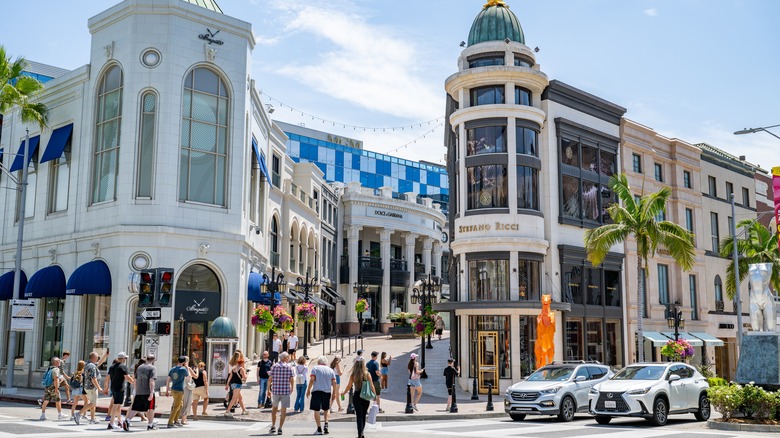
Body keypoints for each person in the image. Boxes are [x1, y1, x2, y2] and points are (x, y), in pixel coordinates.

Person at [340, 358, 375, 438]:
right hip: (366, 395)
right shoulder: (367, 374)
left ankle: (360, 434)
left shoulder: (354, 375)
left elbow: (349, 386)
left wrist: (343, 393)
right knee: (363, 415)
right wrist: (374, 396)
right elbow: (372, 385)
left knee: (359, 415)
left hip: (357, 395)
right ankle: (362, 432)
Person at [122, 354, 158, 431]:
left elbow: (135, 379)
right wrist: (151, 392)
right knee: (151, 408)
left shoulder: (139, 367)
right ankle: (150, 424)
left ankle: (127, 420)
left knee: (135, 408)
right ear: (153, 360)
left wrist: (135, 389)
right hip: (147, 391)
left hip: (139, 391)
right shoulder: (152, 368)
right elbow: (151, 381)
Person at [307, 356, 336, 435]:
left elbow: (312, 379)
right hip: (327, 391)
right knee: (326, 409)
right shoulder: (331, 370)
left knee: (316, 410)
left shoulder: (315, 368)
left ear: (319, 362)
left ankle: (319, 428)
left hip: (317, 391)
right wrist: (334, 393)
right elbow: (334, 382)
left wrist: (308, 389)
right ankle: (326, 423)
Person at [267, 351, 295, 435]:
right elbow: (292, 379)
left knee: (274, 409)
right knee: (283, 410)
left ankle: (273, 426)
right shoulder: (289, 367)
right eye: (288, 357)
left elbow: (270, 379)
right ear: (285, 358)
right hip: (285, 391)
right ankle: (280, 428)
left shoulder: (274, 366)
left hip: (275, 391)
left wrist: (268, 389)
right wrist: (292, 388)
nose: (289, 359)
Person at [106, 352, 134, 430]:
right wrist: (134, 382)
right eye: (125, 358)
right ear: (123, 358)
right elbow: (127, 377)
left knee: (118, 405)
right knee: (116, 405)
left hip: (113, 387)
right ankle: (111, 423)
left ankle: (119, 421)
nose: (125, 360)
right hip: (119, 388)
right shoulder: (123, 367)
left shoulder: (112, 367)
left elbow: (108, 377)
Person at [75, 352, 104, 425]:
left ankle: (92, 419)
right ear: (94, 358)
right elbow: (93, 378)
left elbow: (99, 363)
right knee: (93, 403)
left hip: (87, 387)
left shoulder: (88, 364)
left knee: (92, 403)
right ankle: (79, 414)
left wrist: (106, 355)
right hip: (92, 387)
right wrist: (99, 388)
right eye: (97, 357)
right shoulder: (92, 366)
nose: (98, 359)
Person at [165, 355, 191, 428]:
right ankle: (170, 422)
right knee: (176, 407)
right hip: (179, 390)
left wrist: (167, 390)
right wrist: (187, 368)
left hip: (173, 389)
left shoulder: (172, 369)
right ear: (184, 362)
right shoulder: (183, 369)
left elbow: (168, 380)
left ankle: (176, 420)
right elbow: (189, 378)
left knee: (180, 405)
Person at [225, 351, 248, 416]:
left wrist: (227, 384)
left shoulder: (234, 369)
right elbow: (245, 377)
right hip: (238, 384)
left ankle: (244, 410)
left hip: (232, 384)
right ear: (242, 363)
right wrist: (247, 374)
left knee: (240, 398)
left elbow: (230, 377)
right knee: (234, 398)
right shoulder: (241, 369)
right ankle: (227, 411)